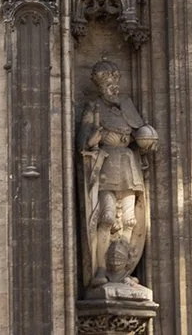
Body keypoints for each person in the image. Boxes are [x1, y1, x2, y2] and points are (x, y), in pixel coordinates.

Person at [77, 60, 158, 294]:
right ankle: (101, 268)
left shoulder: (126, 105)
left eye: (114, 80)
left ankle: (123, 271)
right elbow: (83, 139)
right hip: (107, 164)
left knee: (131, 220)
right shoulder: (94, 107)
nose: (112, 86)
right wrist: (91, 139)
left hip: (128, 164)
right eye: (106, 81)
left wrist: (147, 139)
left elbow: (140, 131)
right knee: (107, 217)